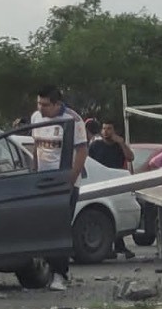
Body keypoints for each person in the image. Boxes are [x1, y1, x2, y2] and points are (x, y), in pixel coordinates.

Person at [30, 85, 88, 291]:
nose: (41, 108)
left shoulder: (72, 120)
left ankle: (59, 274)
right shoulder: (36, 118)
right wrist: (33, 174)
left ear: (57, 104)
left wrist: (70, 180)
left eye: (45, 105)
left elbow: (81, 151)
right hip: (43, 181)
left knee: (60, 227)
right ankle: (43, 271)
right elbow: (36, 148)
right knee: (42, 228)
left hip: (63, 182)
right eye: (39, 103)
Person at [87, 119, 136, 260]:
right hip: (99, 183)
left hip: (116, 182)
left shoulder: (118, 146)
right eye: (104, 128)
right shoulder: (96, 146)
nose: (106, 132)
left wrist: (121, 142)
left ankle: (120, 246)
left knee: (116, 214)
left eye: (109, 128)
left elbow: (130, 157)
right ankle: (108, 248)